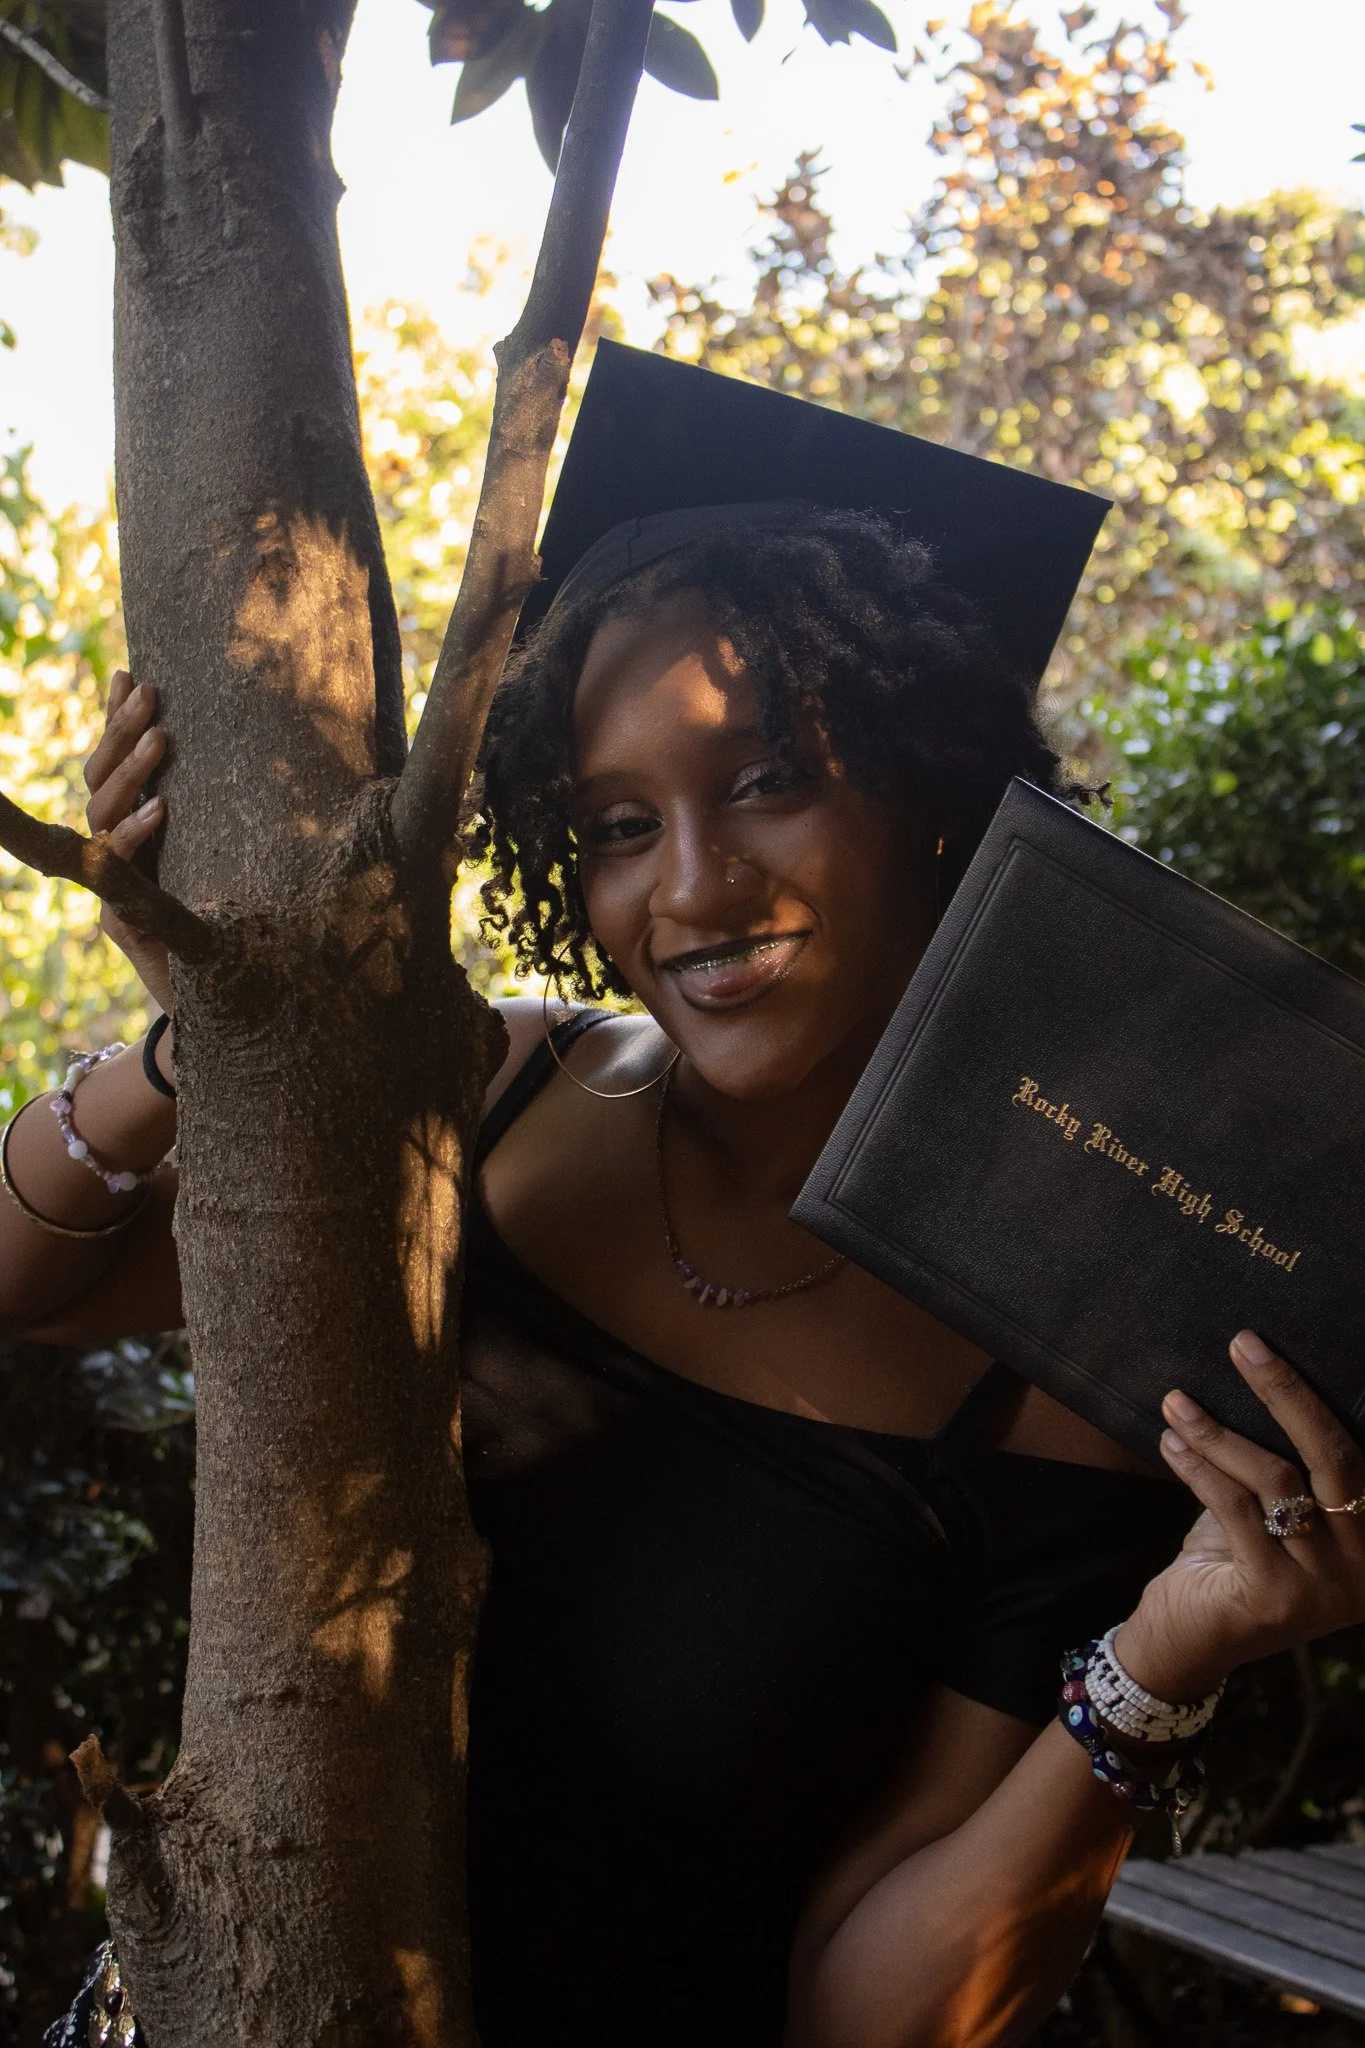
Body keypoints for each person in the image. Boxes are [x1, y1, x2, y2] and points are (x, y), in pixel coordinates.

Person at [8, 344, 1365, 2048]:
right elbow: (30, 1282)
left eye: (772, 781)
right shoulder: (486, 1089)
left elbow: (867, 2016)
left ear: (933, 806)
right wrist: (204, 1029)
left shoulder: (1049, 1366)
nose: (697, 888)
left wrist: (1170, 1659)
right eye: (617, 824)